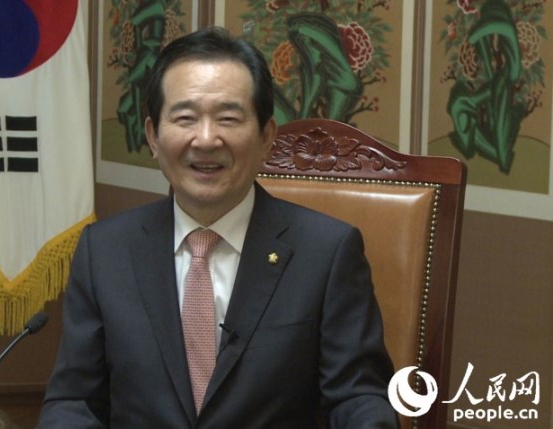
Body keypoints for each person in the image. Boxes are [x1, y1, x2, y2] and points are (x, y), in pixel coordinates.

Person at [38, 26, 399, 428]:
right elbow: (73, 402)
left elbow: (359, 397)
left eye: (228, 118)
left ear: (266, 136)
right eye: (185, 118)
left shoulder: (327, 252)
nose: (206, 140)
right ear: (153, 136)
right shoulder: (104, 251)